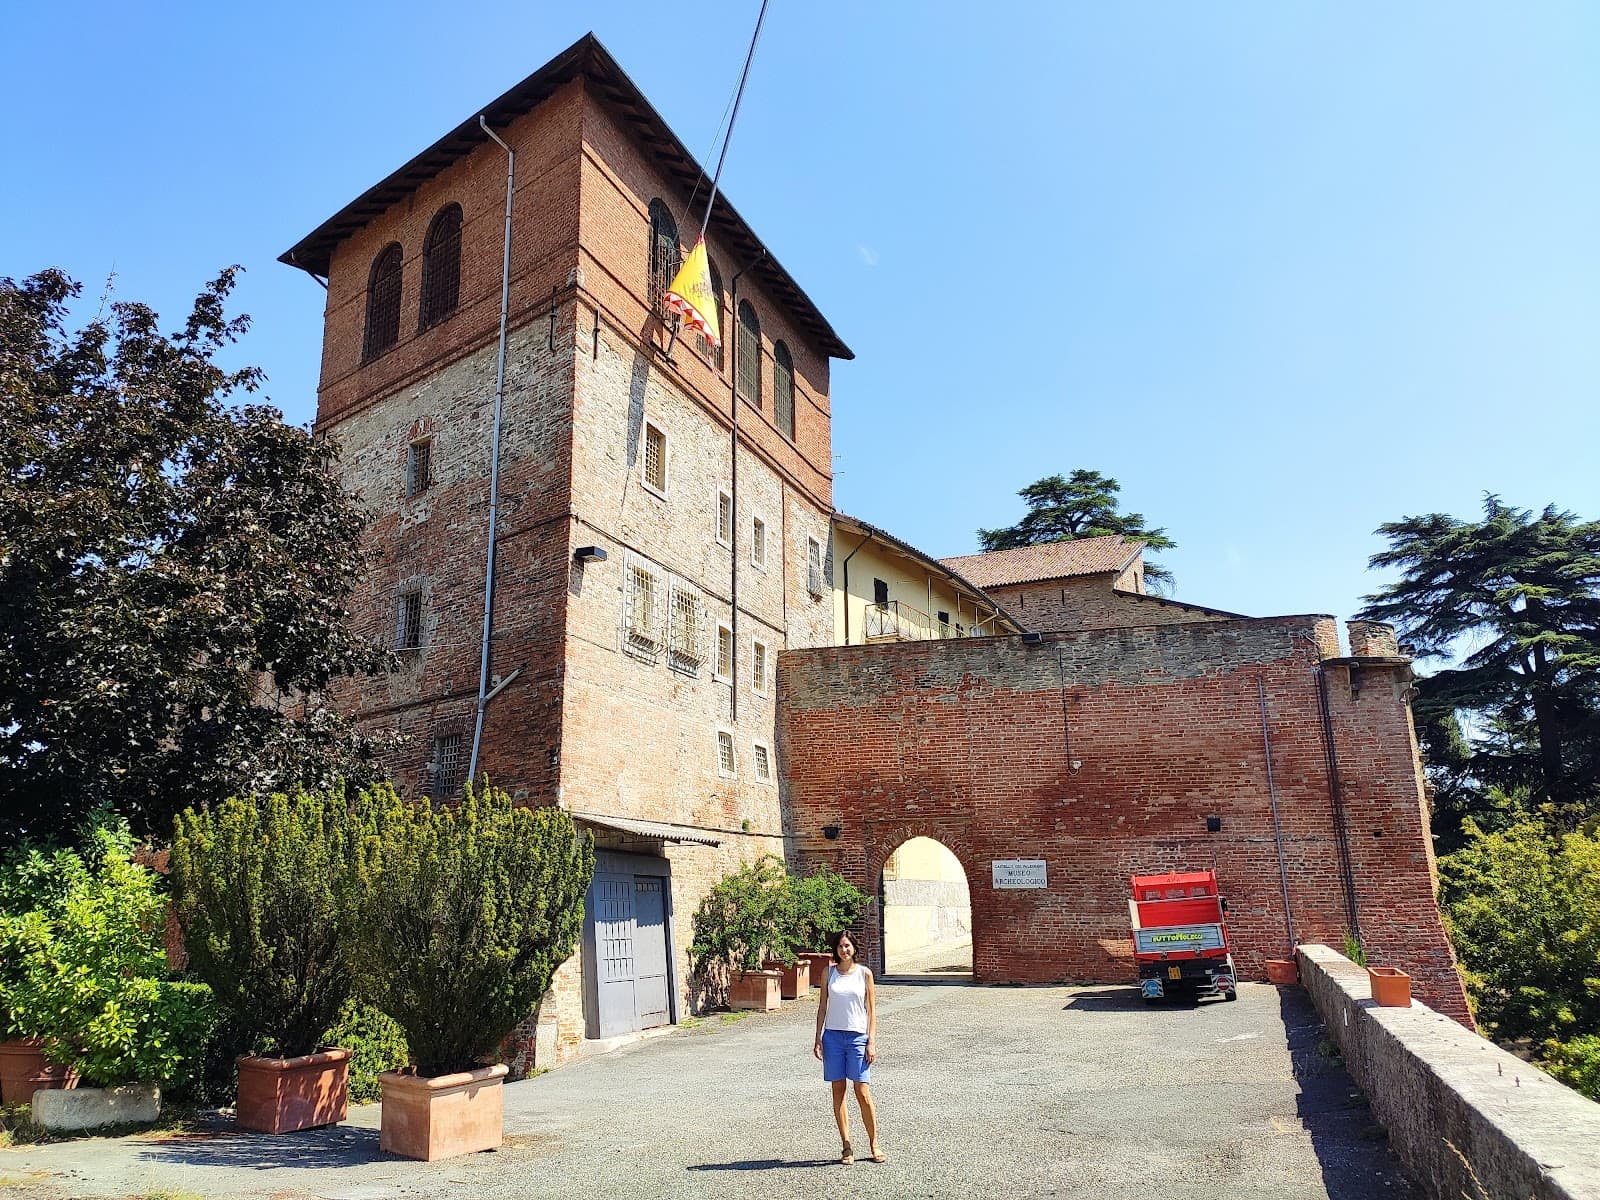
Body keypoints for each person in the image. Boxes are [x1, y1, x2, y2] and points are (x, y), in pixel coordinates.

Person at [812, 930, 884, 1164]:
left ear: (854, 948)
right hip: (832, 1037)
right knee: (838, 1091)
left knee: (862, 1091)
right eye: (841, 946)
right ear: (836, 949)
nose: (844, 950)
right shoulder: (828, 973)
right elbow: (822, 1005)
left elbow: (872, 1011)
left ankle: (874, 1143)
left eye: (848, 946)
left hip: (858, 1038)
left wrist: (871, 1041)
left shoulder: (865, 974)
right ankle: (846, 1146)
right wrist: (818, 1037)